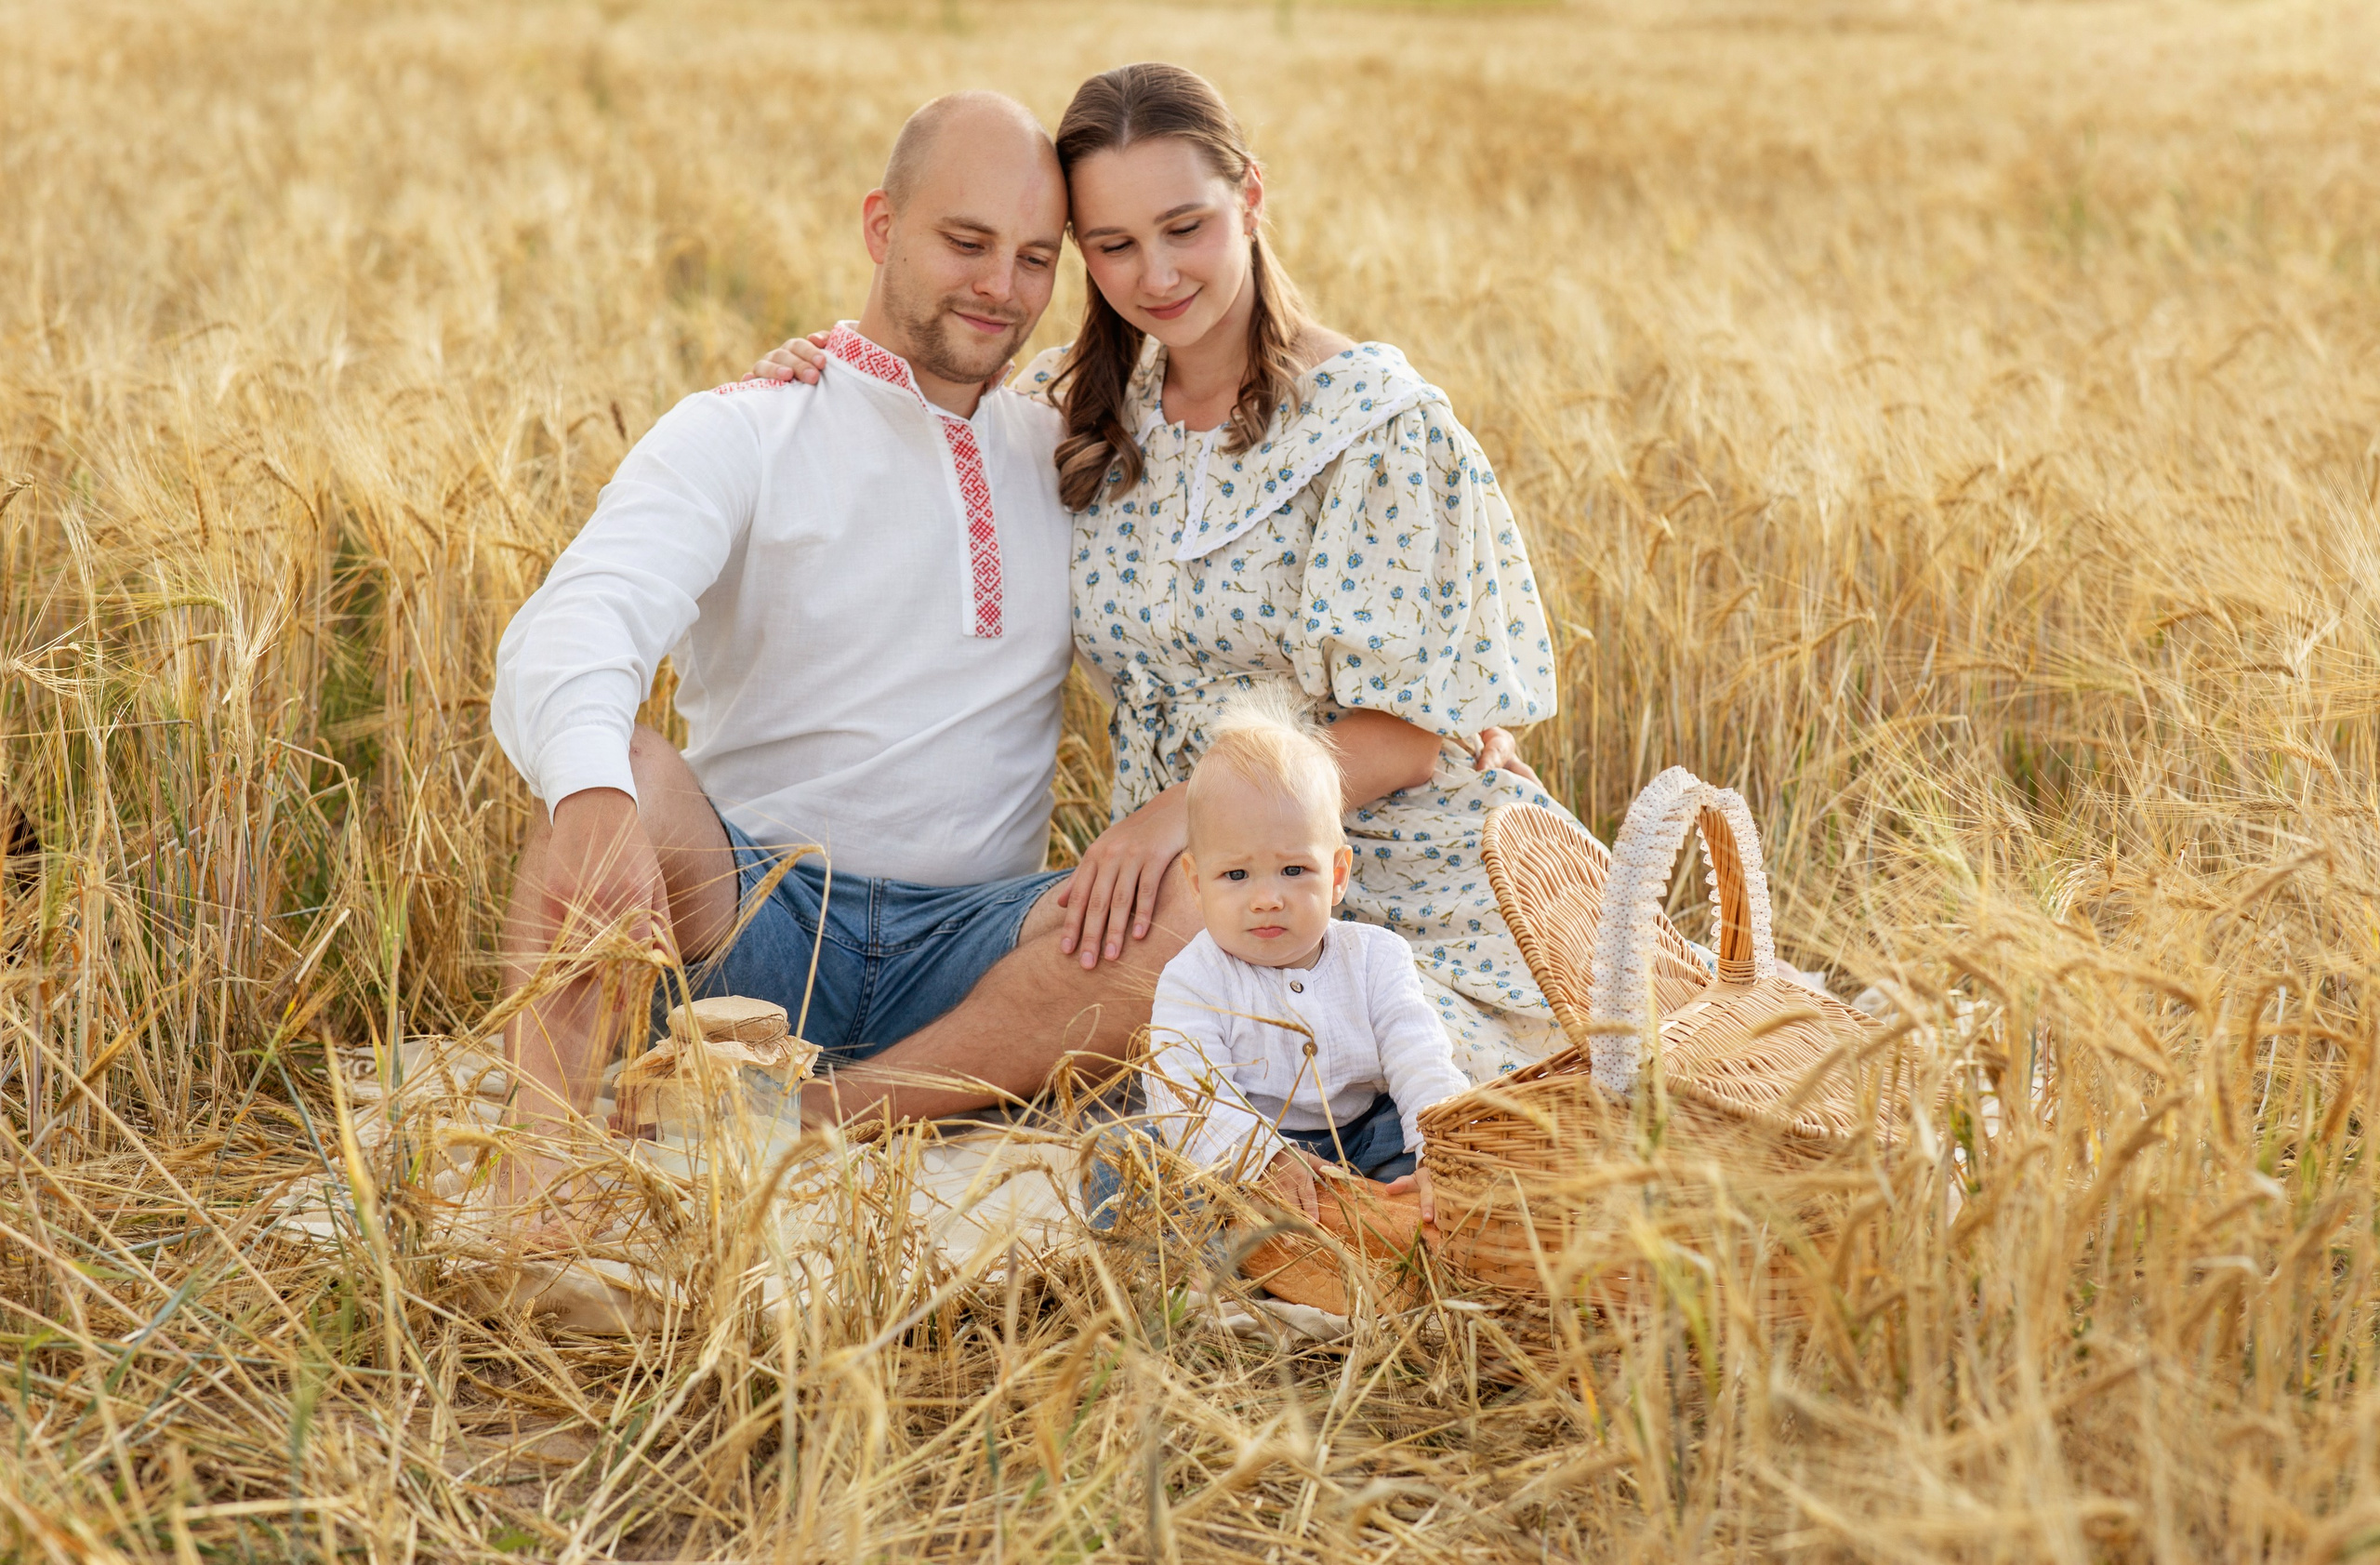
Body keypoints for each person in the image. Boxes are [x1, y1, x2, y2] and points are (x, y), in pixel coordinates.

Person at [754, 62, 1578, 1087]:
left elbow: (1408, 737)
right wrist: (814, 381)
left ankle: (829, 1117)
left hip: (1394, 872)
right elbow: (924, 405)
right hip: (1196, 873)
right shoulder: (1090, 409)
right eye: (1112, 245)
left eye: (1184, 227)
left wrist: (1187, 809)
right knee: (1157, 969)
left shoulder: (1376, 426)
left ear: (1251, 198)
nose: (1155, 276)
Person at [487, 91, 1203, 1220]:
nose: (999, 288)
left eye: (1032, 258)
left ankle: (835, 1112)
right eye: (964, 242)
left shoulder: (1070, 443)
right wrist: (588, 796)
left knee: (1199, 903)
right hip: (750, 927)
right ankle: (544, 1202)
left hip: (985, 959)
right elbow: (576, 621)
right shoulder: (746, 427)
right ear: (881, 225)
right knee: (613, 767)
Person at [1144, 690, 1464, 1226]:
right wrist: (1261, 1160)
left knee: (1429, 1152)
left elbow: (1420, 1057)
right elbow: (1192, 1094)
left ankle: (1397, 1220)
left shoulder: (1375, 958)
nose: (1267, 898)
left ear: (1337, 874)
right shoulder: (1193, 980)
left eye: (1294, 871)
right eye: (1236, 875)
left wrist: (1440, 1151)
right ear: (1196, 884)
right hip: (1249, 1146)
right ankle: (1207, 1260)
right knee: (1133, 1157)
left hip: (1362, 1135)